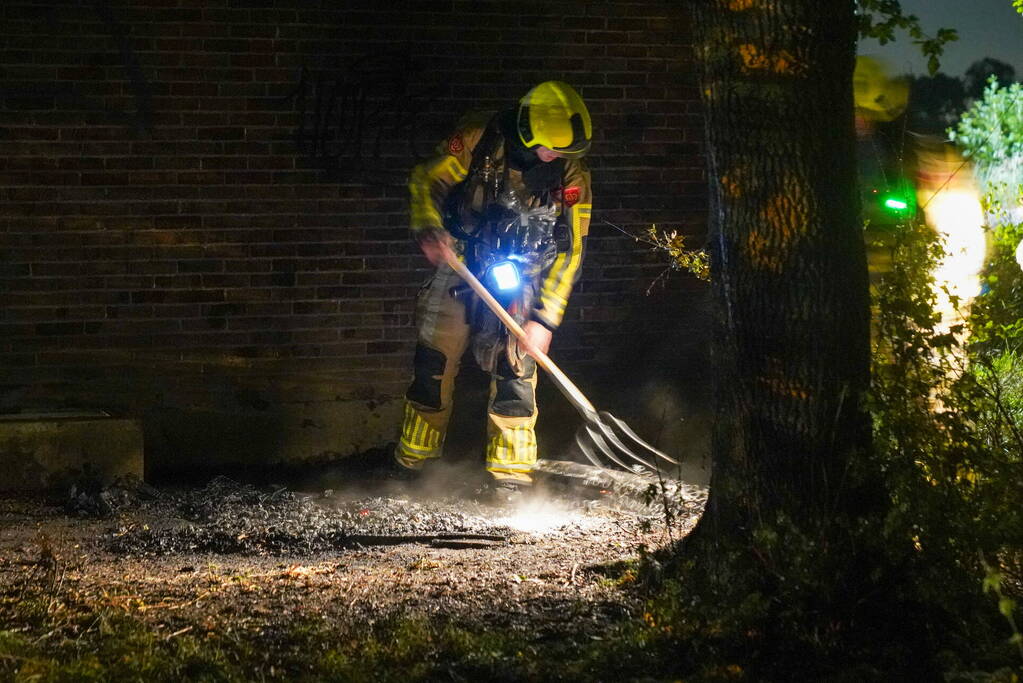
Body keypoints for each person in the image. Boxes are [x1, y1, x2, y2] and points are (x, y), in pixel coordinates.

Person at [394, 81, 593, 497]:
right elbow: (426, 181)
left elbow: (572, 249)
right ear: (525, 131)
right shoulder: (477, 140)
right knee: (433, 363)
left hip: (524, 276)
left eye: (563, 152)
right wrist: (430, 229)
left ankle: (511, 479)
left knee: (516, 375)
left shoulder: (571, 173)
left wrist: (545, 318)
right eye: (548, 149)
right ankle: (413, 465)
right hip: (462, 263)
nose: (554, 158)